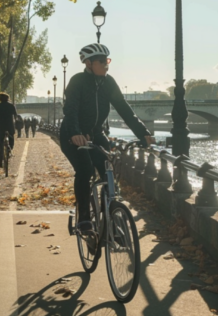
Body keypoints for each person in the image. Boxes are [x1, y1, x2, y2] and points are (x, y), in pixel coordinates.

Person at [60, 43, 155, 234]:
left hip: (96, 134)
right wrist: (76, 133)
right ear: (88, 63)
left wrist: (143, 134)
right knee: (85, 169)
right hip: (72, 134)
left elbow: (124, 109)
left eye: (108, 61)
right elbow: (70, 110)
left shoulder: (108, 83)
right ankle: (84, 220)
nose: (106, 65)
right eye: (102, 62)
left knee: (108, 170)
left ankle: (111, 217)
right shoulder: (77, 81)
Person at [0, 92, 17, 168]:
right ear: (8, 99)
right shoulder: (11, 106)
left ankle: (0, 161)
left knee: (0, 144)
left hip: (0, 126)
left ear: (0, 99)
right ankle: (10, 148)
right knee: (11, 138)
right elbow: (15, 115)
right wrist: (14, 121)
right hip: (9, 126)